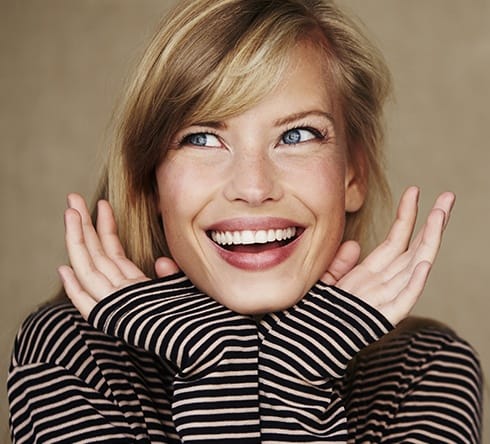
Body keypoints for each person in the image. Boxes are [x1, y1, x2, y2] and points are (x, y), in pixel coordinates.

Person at [8, 0, 482, 442]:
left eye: (297, 135)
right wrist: (220, 361)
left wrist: (296, 366)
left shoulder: (429, 367)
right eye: (202, 139)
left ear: (352, 174)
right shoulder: (70, 354)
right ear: (151, 182)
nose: (253, 188)